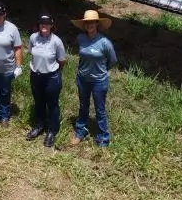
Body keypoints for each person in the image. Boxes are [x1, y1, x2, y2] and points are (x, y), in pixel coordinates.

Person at [70, 10, 117, 147]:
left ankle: (103, 138)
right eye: (87, 22)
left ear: (97, 24)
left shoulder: (104, 42)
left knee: (100, 110)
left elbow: (112, 60)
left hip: (99, 81)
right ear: (84, 25)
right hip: (83, 79)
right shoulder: (81, 38)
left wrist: (102, 70)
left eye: (92, 22)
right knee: (83, 106)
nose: (89, 25)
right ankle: (80, 131)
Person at [25, 14, 67, 148]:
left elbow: (62, 60)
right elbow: (31, 53)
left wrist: (53, 70)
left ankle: (52, 131)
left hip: (51, 77)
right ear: (38, 25)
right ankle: (39, 126)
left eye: (47, 23)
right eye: (42, 23)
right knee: (38, 102)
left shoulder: (56, 41)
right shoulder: (33, 37)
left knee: (52, 104)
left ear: (51, 26)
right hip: (36, 76)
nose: (44, 25)